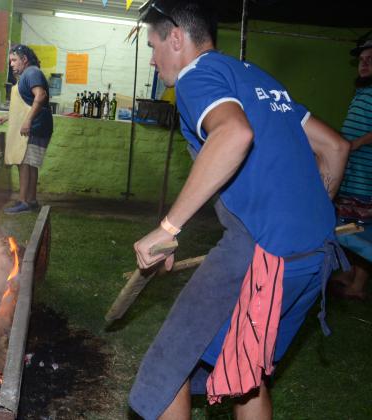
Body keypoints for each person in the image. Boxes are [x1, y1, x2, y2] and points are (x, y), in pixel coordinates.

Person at [129, 1, 350, 419]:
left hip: (262, 252)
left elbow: (234, 133)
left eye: (154, 46)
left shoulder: (196, 78)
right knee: (244, 370)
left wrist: (167, 228)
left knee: (169, 367)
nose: (153, 61)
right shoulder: (256, 79)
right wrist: (303, 223)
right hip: (315, 255)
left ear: (176, 38)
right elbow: (334, 148)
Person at [331, 35, 372, 300]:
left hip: (367, 178)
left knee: (363, 227)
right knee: (348, 224)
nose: (364, 64)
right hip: (352, 174)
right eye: (362, 60)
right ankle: (347, 273)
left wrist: (353, 144)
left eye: (371, 60)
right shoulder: (362, 93)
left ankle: (358, 285)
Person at [0, 44, 53, 214]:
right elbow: (24, 105)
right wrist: (6, 117)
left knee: (24, 162)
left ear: (24, 59)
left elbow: (41, 96)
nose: (11, 64)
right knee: (29, 164)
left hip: (36, 126)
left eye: (14, 60)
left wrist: (27, 122)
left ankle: (23, 201)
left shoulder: (32, 72)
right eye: (10, 60)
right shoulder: (27, 75)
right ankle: (31, 200)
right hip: (35, 125)